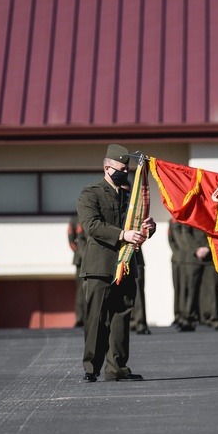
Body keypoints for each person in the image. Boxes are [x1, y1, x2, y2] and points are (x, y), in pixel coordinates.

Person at [77, 144, 157, 382]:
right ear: (107, 167)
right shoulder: (90, 193)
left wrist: (148, 229)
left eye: (127, 168)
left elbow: (136, 228)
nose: (125, 172)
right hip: (100, 266)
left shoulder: (128, 196)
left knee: (122, 316)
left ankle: (117, 368)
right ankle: (91, 368)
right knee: (96, 318)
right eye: (122, 168)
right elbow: (92, 226)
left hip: (126, 265)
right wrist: (123, 235)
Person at [68, 212, 87, 327]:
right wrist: (81, 254)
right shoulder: (75, 219)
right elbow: (71, 240)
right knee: (81, 291)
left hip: (93, 259)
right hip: (80, 261)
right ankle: (80, 318)